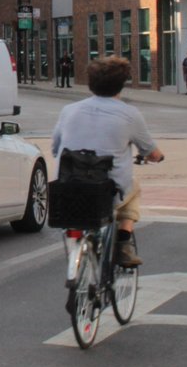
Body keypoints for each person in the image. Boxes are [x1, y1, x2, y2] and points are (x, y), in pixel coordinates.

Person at [50, 56, 165, 267]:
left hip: (68, 185)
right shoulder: (129, 114)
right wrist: (157, 157)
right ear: (122, 84)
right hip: (105, 188)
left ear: (91, 83)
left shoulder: (69, 110)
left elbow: (56, 148)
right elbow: (151, 151)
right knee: (134, 190)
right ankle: (124, 242)